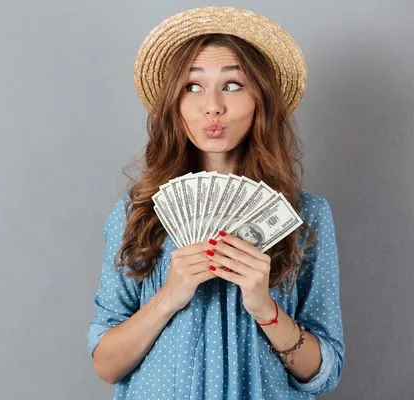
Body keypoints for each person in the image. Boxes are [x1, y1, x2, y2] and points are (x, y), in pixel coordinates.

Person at [87, 6, 344, 399]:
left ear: (261, 99)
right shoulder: (136, 214)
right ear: (174, 103)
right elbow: (105, 365)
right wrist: (168, 297)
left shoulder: (304, 217)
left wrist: (266, 310)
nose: (212, 106)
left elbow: (324, 374)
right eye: (193, 86)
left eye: (232, 85)